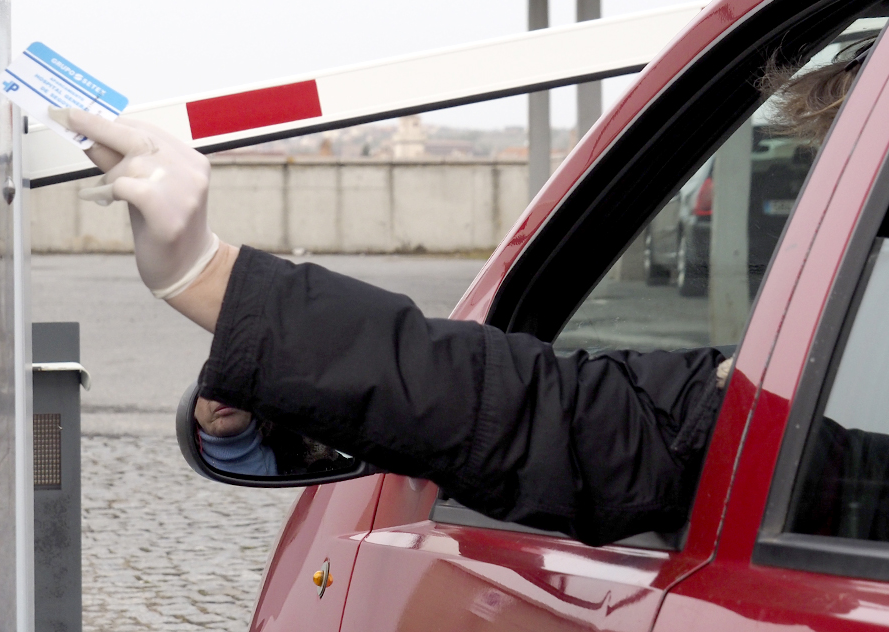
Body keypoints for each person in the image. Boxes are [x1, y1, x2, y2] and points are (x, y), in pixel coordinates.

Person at [45, 36, 875, 546]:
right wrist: (215, 284)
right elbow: (575, 419)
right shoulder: (842, 458)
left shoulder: (833, 457)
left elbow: (562, 425)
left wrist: (206, 275)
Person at [195, 399, 278, 476]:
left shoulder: (287, 451)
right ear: (192, 409)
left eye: (233, 383)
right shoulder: (191, 465)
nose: (222, 393)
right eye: (207, 387)